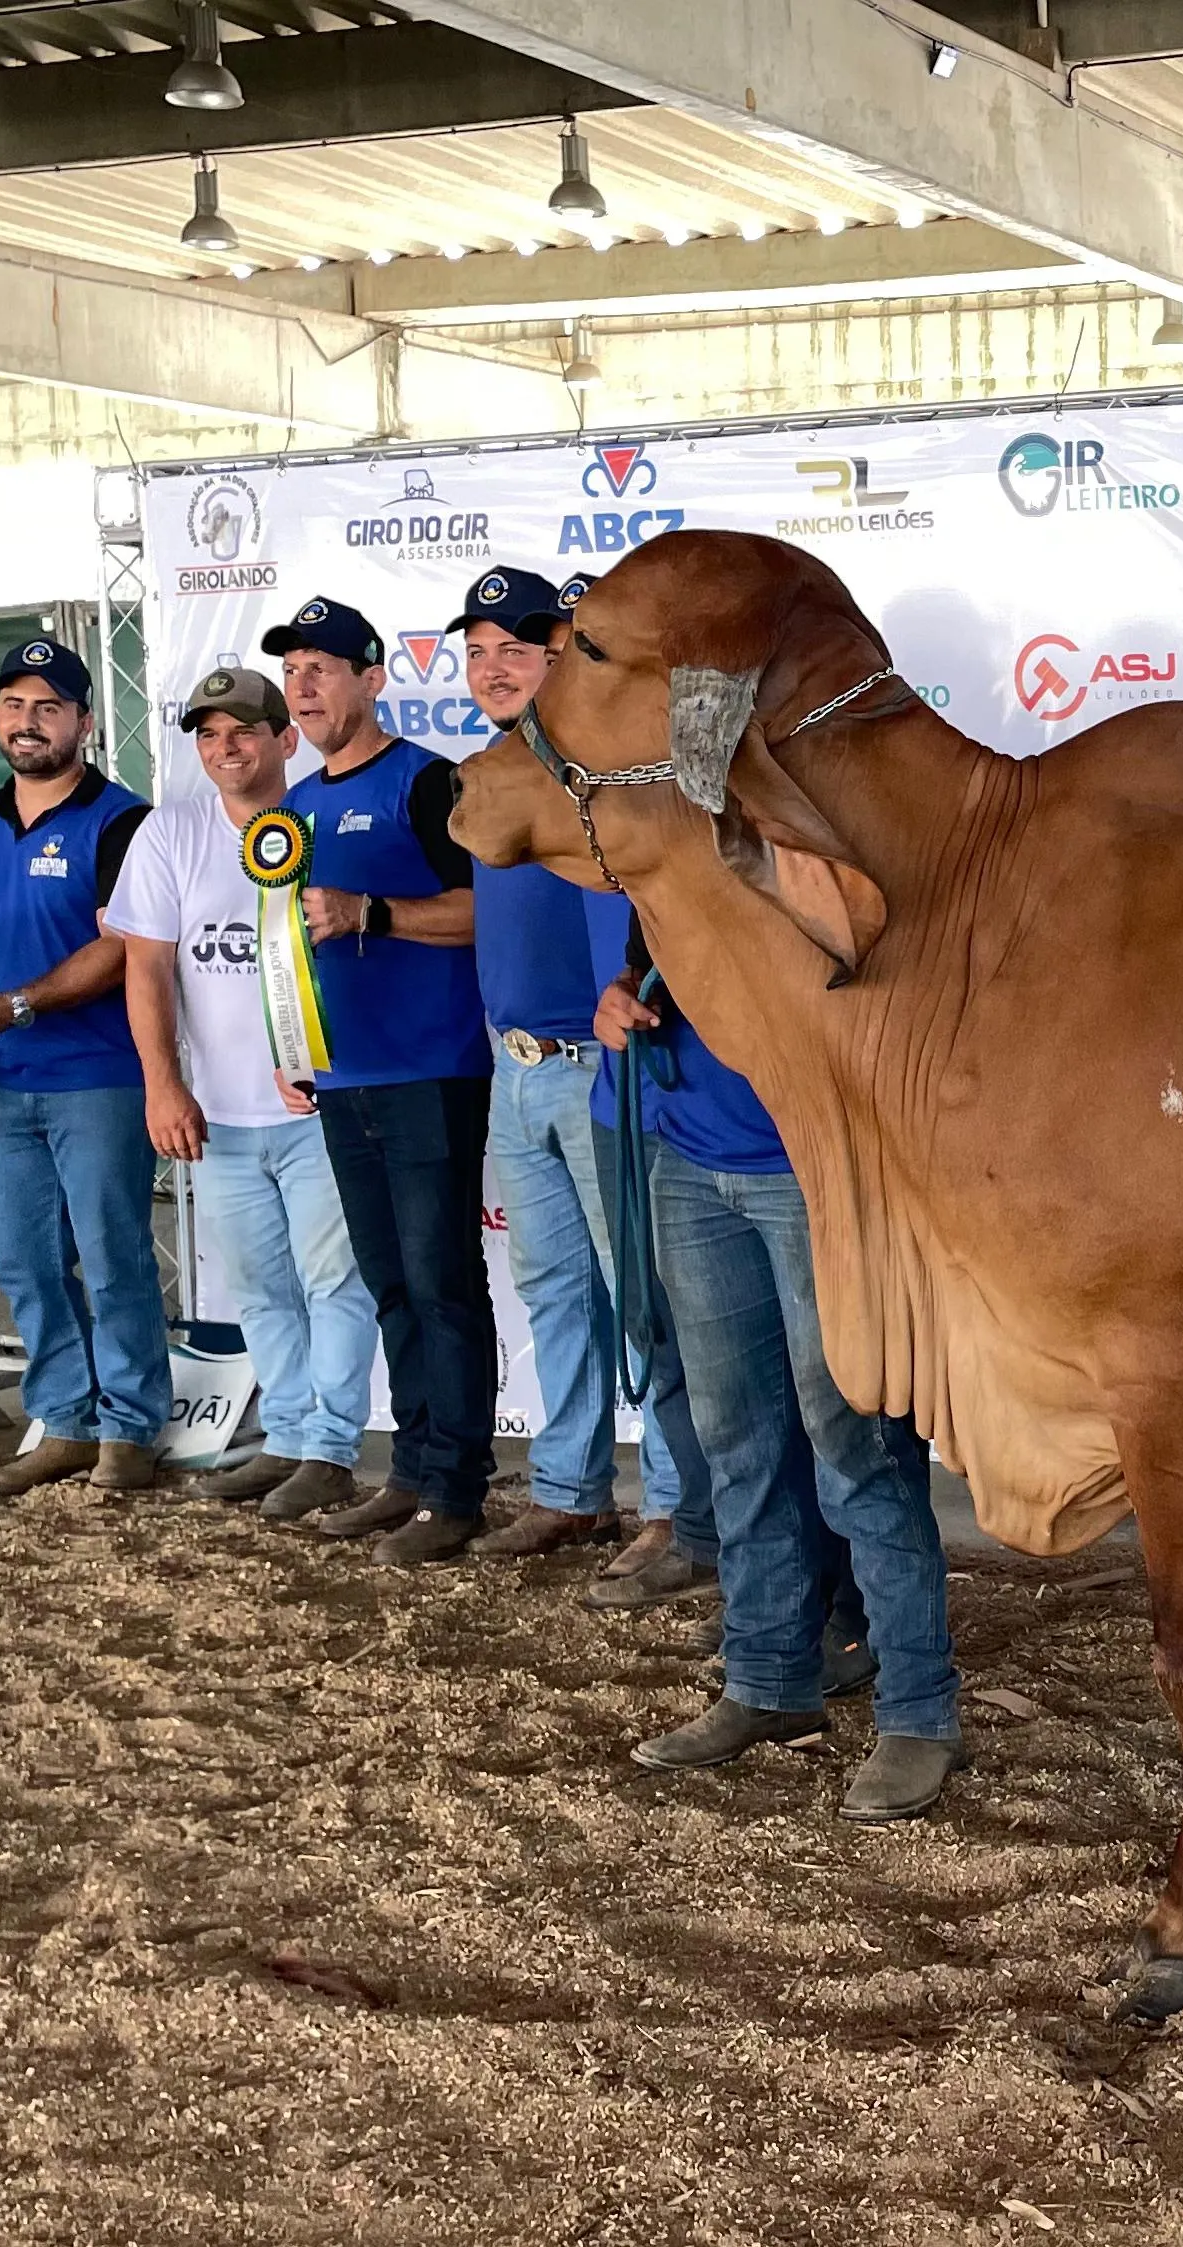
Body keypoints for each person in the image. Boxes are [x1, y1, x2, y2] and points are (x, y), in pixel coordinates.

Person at [598, 950, 963, 1821]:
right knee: (736, 1444)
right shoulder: (663, 852)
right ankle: (767, 1679)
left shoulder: (801, 838)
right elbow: (647, 973)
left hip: (818, 1168)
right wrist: (618, 1001)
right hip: (688, 1161)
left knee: (857, 1442)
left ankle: (918, 1710)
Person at [449, 565, 706, 1567]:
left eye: (517, 646)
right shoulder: (489, 772)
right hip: (517, 1067)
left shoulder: (625, 769)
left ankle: (680, 1509)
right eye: (476, 652)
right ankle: (570, 1488)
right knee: (556, 1288)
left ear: (565, 654)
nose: (493, 667)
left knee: (640, 1293)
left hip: (608, 1069)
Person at [105, 665, 381, 1529]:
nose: (225, 750)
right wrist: (163, 1083)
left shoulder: (323, 820)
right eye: (208, 736)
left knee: (335, 1281)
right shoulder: (170, 832)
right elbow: (145, 964)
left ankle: (331, 1448)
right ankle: (290, 1437)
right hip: (218, 1113)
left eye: (244, 733)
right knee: (261, 1287)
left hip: (319, 1111)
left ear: (283, 740)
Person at [265, 596, 498, 1567]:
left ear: (373, 678)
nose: (305, 684)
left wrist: (378, 915)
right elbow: (288, 947)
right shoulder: (297, 808)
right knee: (391, 1283)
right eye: (293, 671)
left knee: (443, 1281)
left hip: (432, 1070)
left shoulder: (428, 782)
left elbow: (485, 912)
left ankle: (456, 1489)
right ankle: (410, 1471)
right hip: (343, 1076)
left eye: (323, 666)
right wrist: (290, 1040)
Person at [0, 636, 170, 1495]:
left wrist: (17, 1004)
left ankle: (132, 1429)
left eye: (47, 707)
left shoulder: (121, 820)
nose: (26, 722)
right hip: (10, 1085)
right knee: (27, 1263)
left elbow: (123, 945)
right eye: (12, 705)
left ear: (83, 720)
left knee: (113, 1258)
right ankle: (66, 1420)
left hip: (101, 1077)